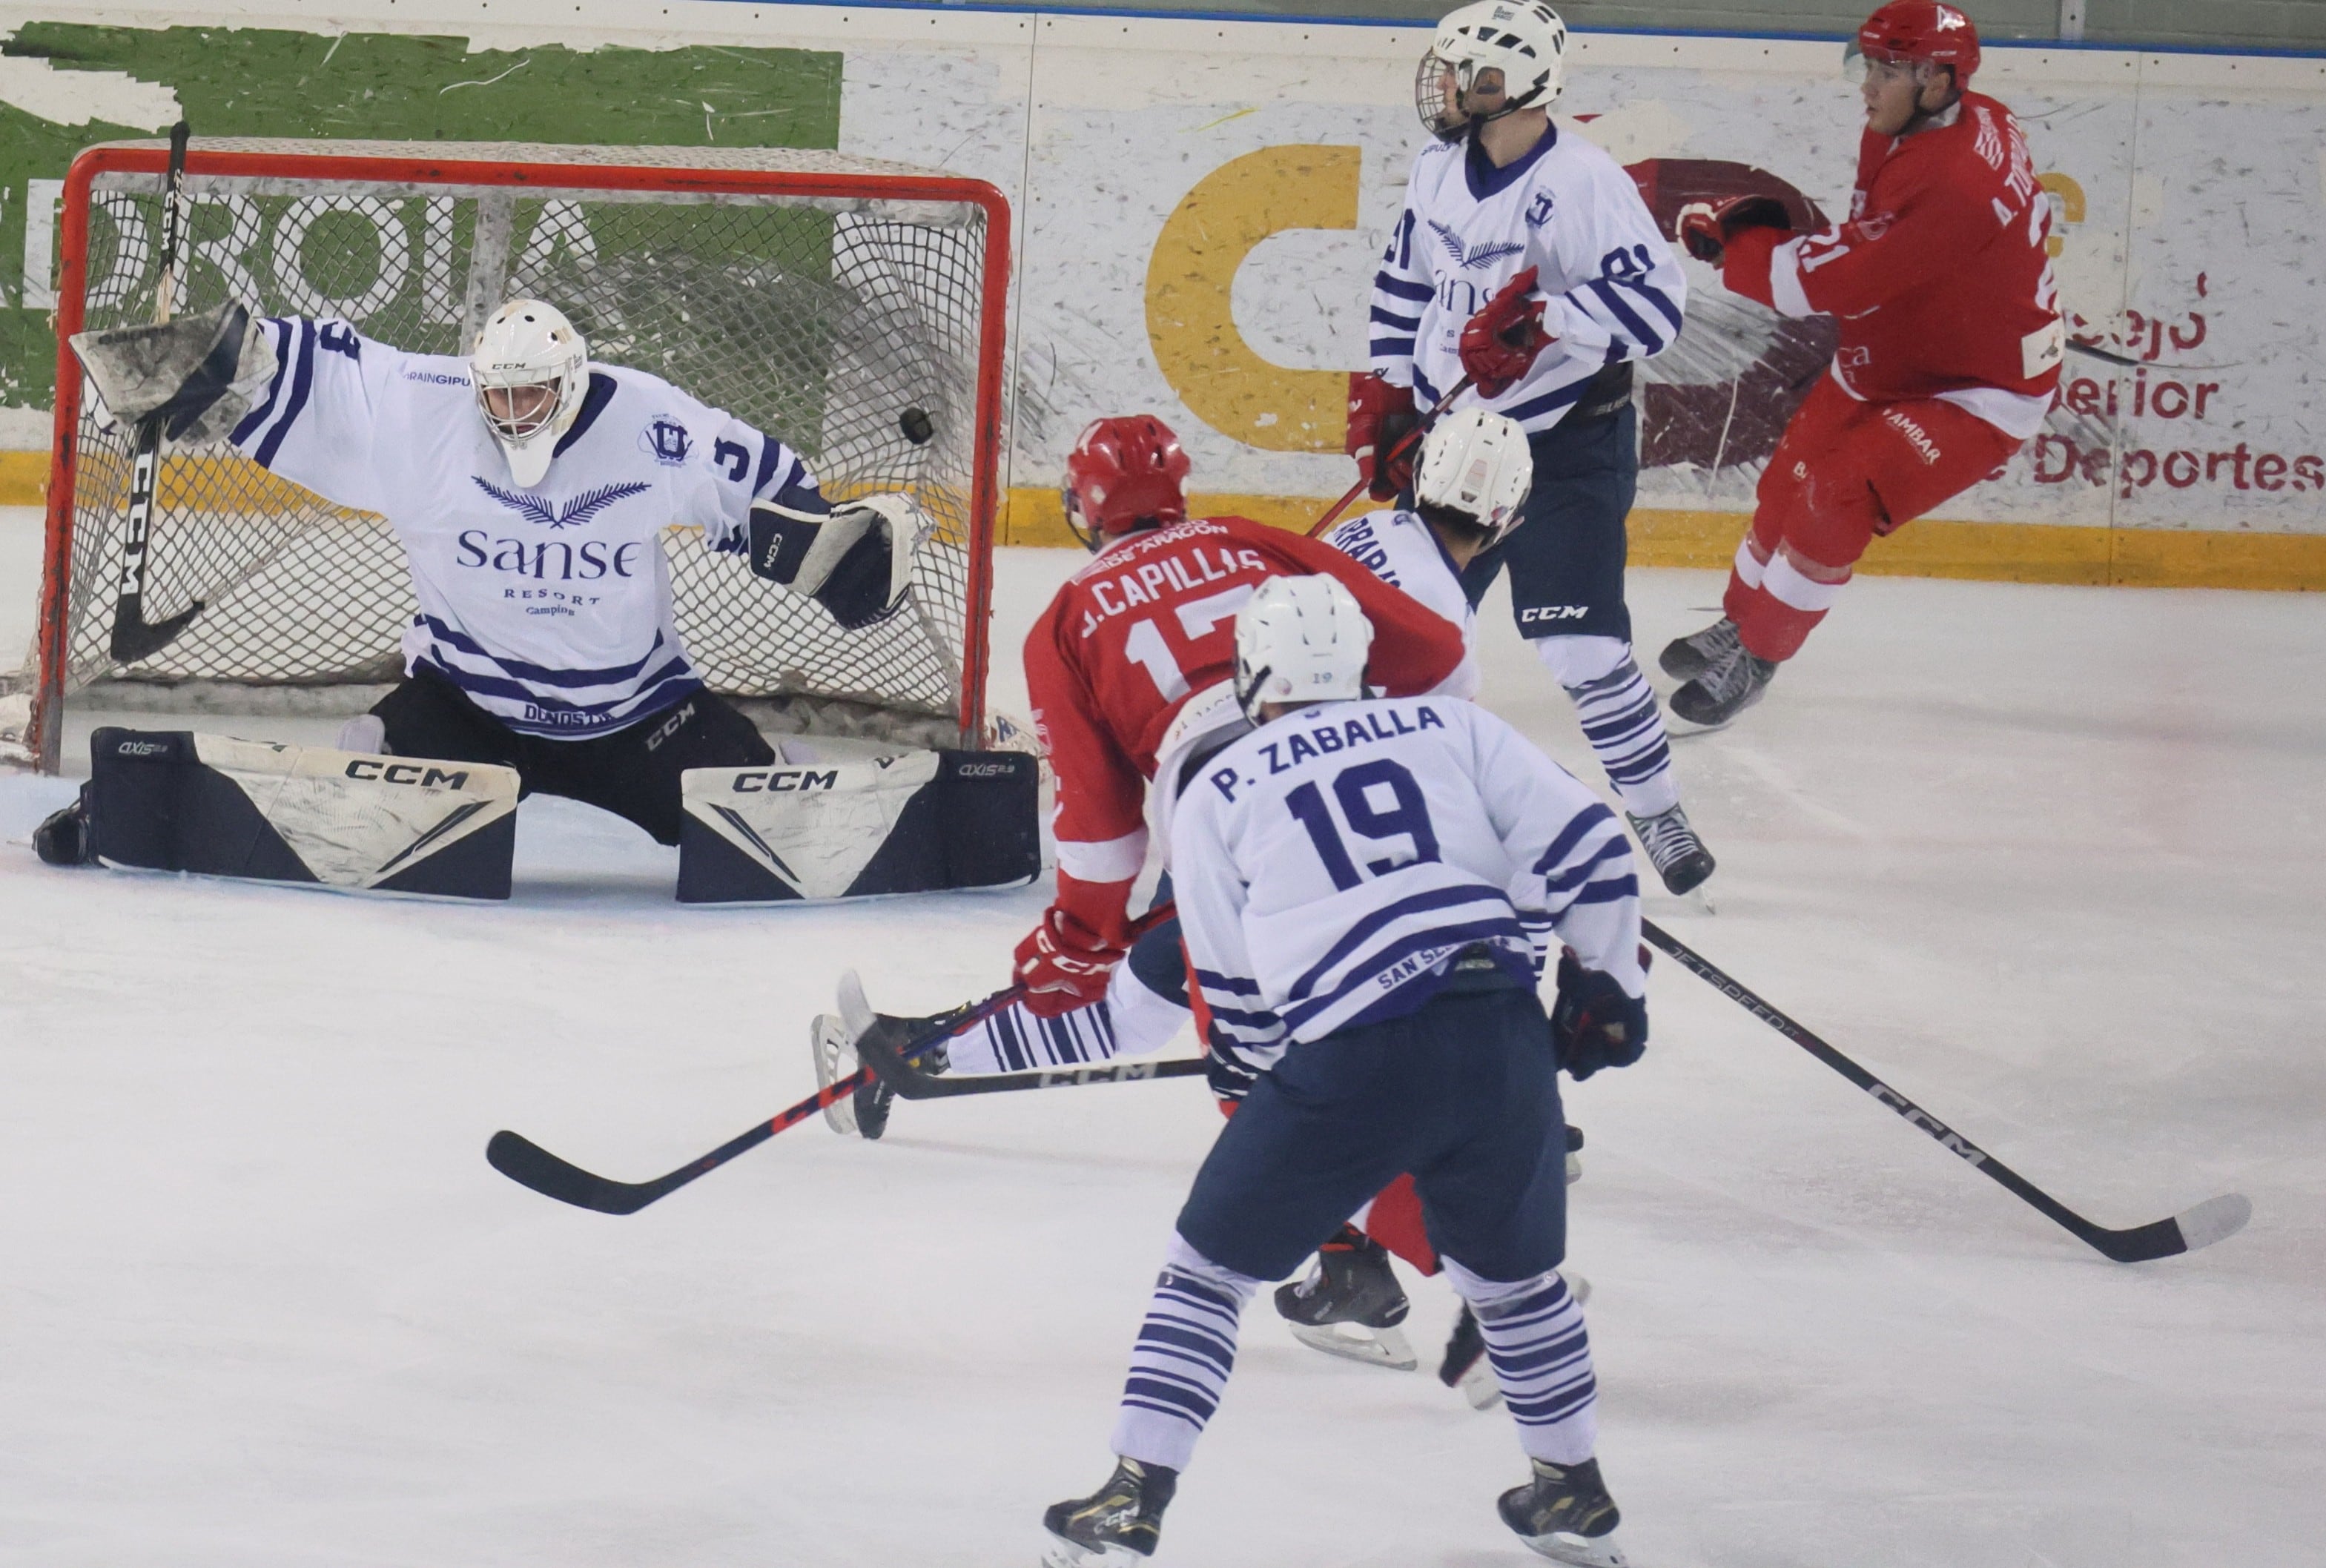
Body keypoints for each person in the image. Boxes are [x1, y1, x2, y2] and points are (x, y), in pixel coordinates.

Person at [1041, 575, 1647, 1568]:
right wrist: (1610, 985)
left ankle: (1131, 1493)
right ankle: (1572, 1488)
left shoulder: (1215, 782)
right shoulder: (1449, 727)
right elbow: (1587, 844)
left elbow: (1231, 990)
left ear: (1253, 673)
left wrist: (1293, 1097)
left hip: (1352, 1050)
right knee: (1520, 1287)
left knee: (1206, 1272)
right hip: (1500, 1033)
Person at [810, 414, 1467, 1137]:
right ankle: (923, 1052)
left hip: (1224, 821)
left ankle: (1354, 1203)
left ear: (1081, 505)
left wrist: (1079, 938)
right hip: (1360, 790)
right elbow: (1435, 652)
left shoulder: (1065, 620)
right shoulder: (1250, 539)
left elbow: (1101, 836)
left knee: (1211, 1025)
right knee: (1162, 985)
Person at [64, 297, 925, 847]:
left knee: (767, 825)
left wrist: (834, 555)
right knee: (351, 801)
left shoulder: (653, 422)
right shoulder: (425, 408)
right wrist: (217, 364)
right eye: (498, 395)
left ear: (573, 380)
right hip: (464, 713)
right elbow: (320, 370)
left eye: (532, 395)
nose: (511, 413)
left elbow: (774, 497)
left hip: (637, 722)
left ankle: (774, 771)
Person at [1355, 0, 1714, 896]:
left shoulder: (1585, 183)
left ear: (1511, 85)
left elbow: (1656, 314)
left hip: (1565, 447)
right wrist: (1388, 394)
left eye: (1463, 73)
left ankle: (1657, 814)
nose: (1441, 89)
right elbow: (1404, 282)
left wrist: (1542, 317)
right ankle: (1390, 813)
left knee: (1582, 650)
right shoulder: (1439, 167)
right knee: (1407, 629)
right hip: (1455, 445)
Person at [1660, 0, 2063, 725]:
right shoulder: (1951, 123)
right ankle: (1736, 620)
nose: (1866, 86)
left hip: (1973, 391)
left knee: (1835, 495)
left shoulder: (1954, 184)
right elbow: (1883, 248)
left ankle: (1758, 655)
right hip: (1892, 352)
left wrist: (1737, 250)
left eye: (1886, 71)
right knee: (1786, 487)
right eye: (1868, 65)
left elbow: (1832, 283)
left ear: (1938, 82)